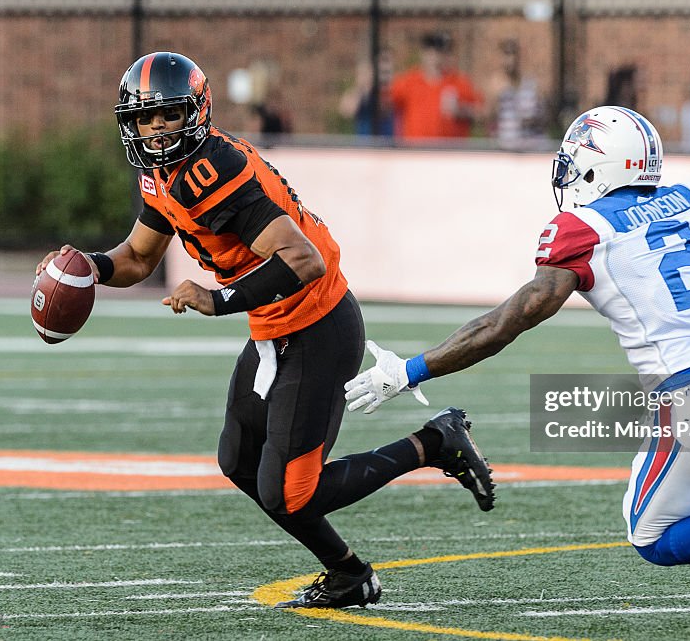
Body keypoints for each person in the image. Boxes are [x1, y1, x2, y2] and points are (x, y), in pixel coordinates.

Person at [345, 106, 690, 618]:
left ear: (594, 169)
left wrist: (411, 370)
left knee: (653, 537)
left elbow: (504, 323)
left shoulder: (583, 231)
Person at [36, 52, 495, 609]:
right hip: (276, 326)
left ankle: (433, 443)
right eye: (145, 118)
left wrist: (218, 298)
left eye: (168, 116)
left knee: (291, 493)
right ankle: (349, 575)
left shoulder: (213, 172)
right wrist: (85, 266)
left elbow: (304, 261)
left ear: (195, 114)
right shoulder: (163, 173)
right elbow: (137, 256)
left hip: (317, 326)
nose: (155, 129)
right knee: (239, 461)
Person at [388, 32, 482, 141]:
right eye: (434, 52)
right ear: (424, 54)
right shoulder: (409, 81)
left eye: (444, 52)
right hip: (416, 151)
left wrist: (461, 111)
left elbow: (480, 113)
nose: (438, 57)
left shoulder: (459, 82)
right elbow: (384, 104)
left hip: (451, 152)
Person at [485, 39, 545, 150]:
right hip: (506, 146)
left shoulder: (531, 85)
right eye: (506, 55)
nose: (510, 61)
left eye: (513, 55)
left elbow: (544, 116)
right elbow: (489, 119)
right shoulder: (495, 86)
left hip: (531, 146)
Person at [339, 49, 394, 137]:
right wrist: (362, 87)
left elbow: (385, 108)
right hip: (365, 146)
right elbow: (346, 111)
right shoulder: (362, 93)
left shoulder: (393, 91)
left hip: (387, 146)